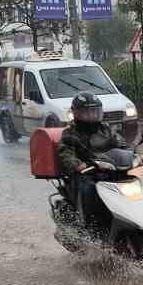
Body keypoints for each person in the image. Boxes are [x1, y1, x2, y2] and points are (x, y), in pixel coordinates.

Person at [56, 92, 125, 232]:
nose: (91, 115)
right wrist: (78, 164)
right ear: (76, 113)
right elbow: (65, 153)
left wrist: (135, 155)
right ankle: (89, 225)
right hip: (86, 174)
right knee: (88, 188)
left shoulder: (105, 129)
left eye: (94, 111)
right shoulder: (70, 133)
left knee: (131, 181)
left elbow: (121, 144)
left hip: (109, 171)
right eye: (87, 112)